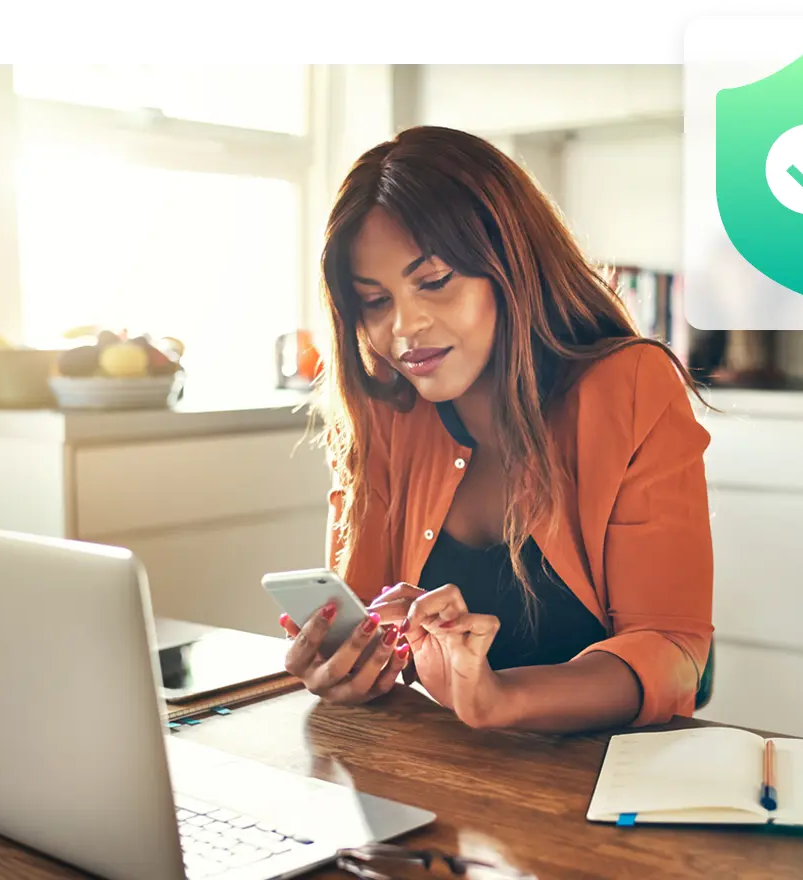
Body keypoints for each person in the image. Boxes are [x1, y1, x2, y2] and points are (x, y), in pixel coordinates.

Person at [281, 125, 714, 735]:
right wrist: (346, 666)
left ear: (511, 267)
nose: (404, 326)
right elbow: (361, 625)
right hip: (452, 775)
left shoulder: (631, 386)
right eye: (375, 301)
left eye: (433, 282)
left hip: (607, 780)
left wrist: (498, 697)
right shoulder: (383, 410)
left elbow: (673, 647)